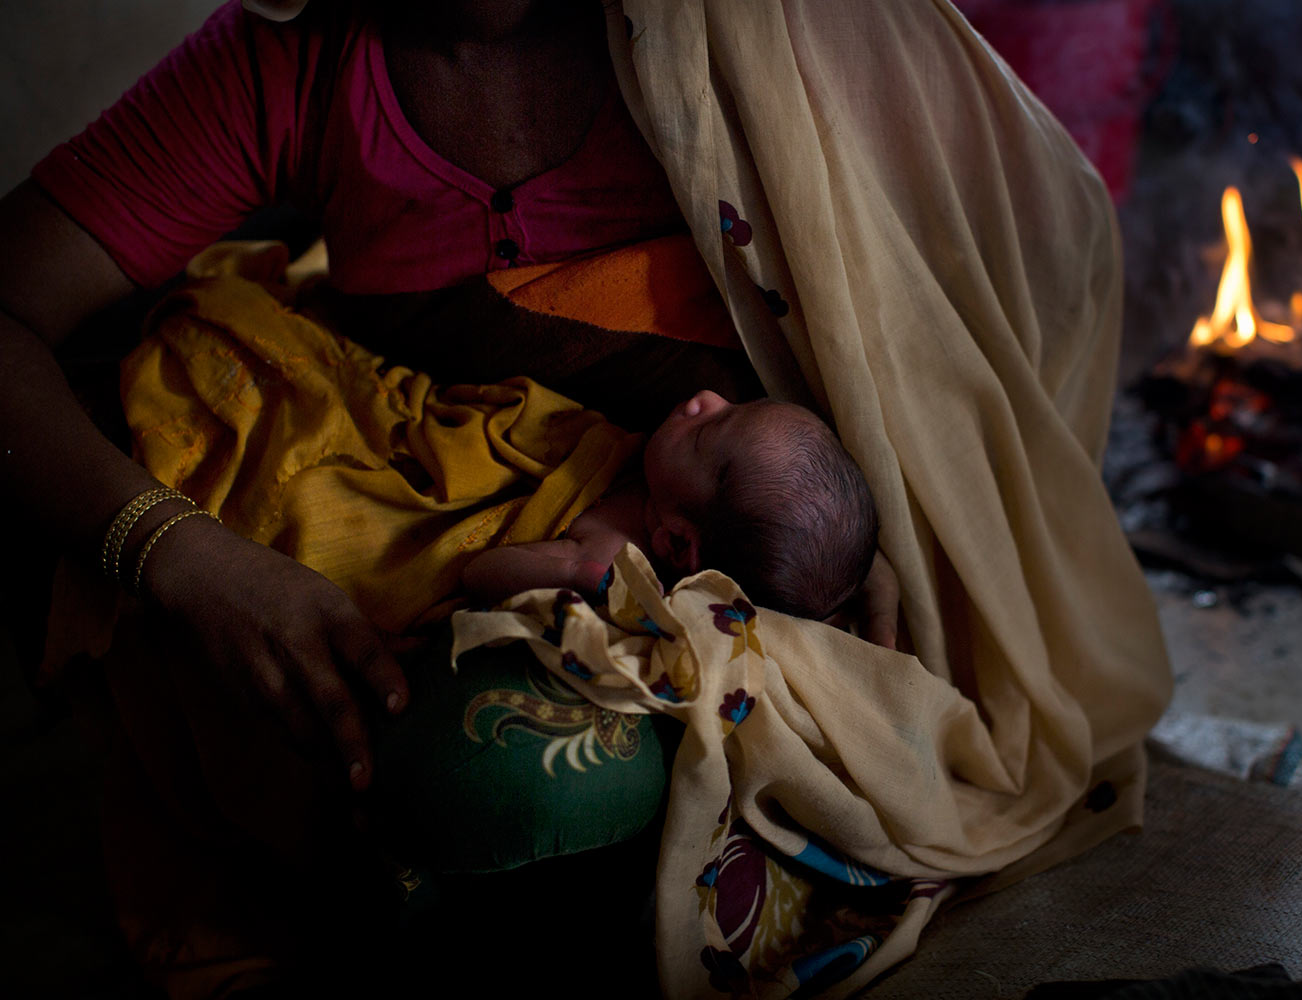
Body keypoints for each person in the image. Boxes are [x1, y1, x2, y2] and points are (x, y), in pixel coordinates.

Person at [3, 0, 1174, 995]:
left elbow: (1014, 247)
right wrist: (183, 555)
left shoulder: (744, 38)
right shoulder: (288, 69)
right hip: (453, 496)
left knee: (499, 782)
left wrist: (892, 467)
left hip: (732, 565)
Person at [463, 388, 880, 622]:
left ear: (678, 544)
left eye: (705, 432)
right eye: (737, 403)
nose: (706, 398)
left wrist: (571, 573)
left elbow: (478, 573)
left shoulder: (613, 554)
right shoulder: (668, 488)